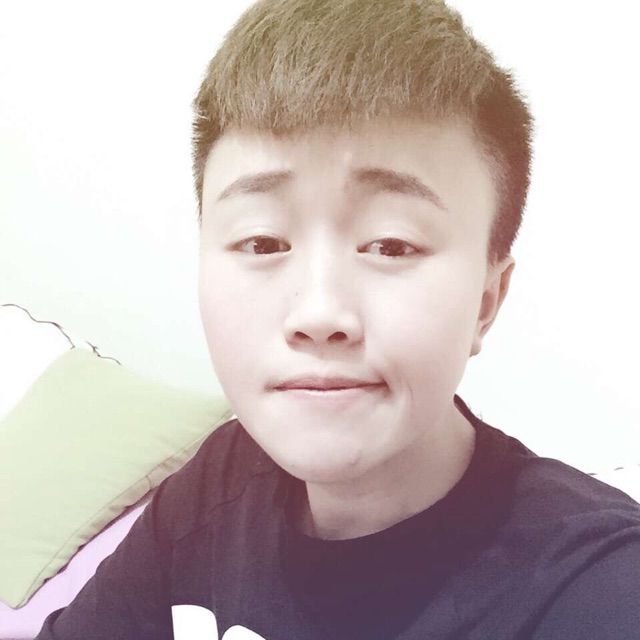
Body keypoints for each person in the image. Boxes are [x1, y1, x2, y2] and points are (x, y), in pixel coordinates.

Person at [36, 0, 640, 638]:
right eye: (263, 242)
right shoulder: (219, 479)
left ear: (487, 301)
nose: (319, 313)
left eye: (391, 245)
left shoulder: (597, 585)